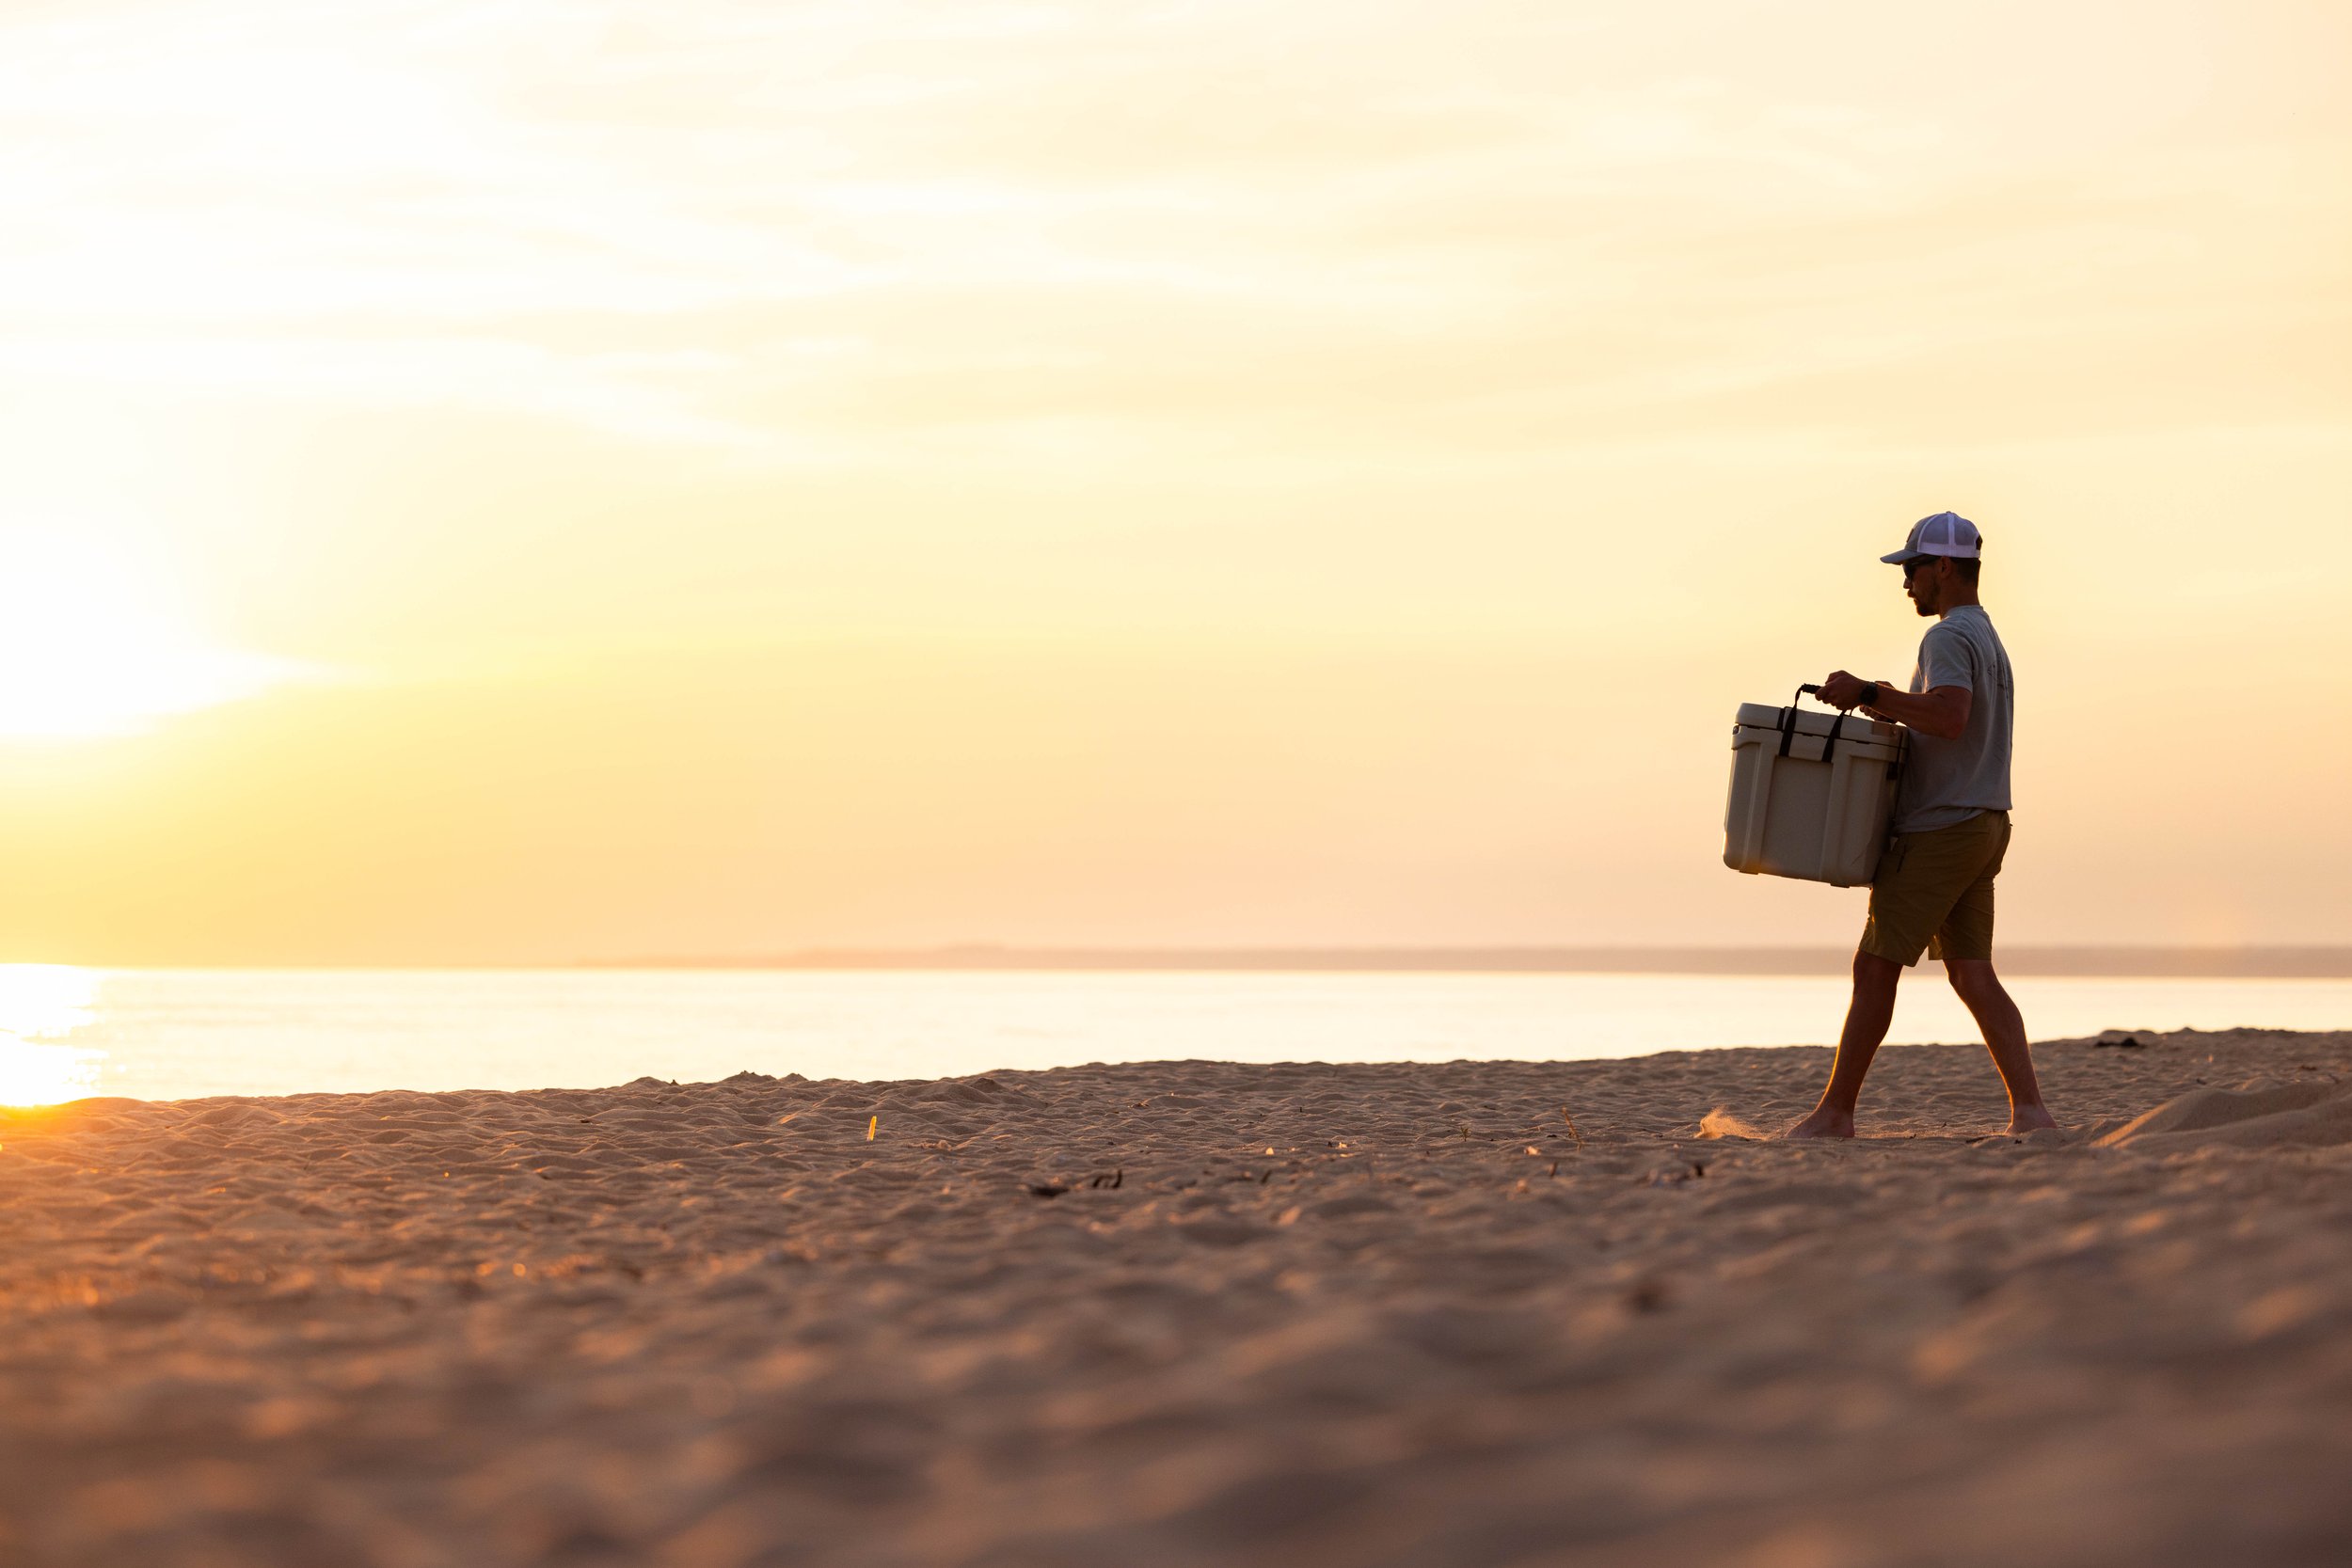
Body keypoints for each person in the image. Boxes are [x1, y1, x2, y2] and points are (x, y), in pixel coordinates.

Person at [1785, 512, 2058, 1139]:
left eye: (1911, 569)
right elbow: (1947, 721)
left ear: (1942, 568)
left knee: (1875, 965)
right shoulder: (1987, 638)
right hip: (1986, 822)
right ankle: (2033, 1113)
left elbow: (1950, 717)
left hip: (1942, 827)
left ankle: (1834, 1115)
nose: (1905, 582)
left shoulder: (1946, 639)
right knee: (1971, 971)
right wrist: (1888, 704)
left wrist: (1870, 695)